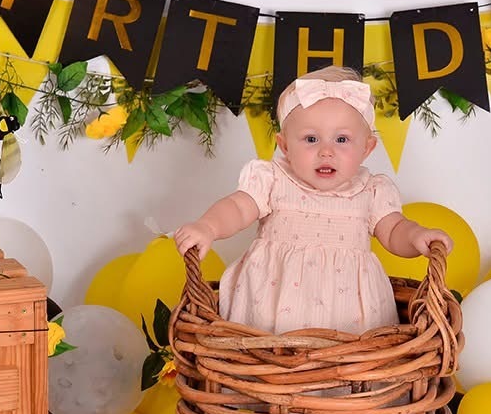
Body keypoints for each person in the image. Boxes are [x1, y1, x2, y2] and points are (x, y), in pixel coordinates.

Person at [174, 66, 452, 335]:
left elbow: (393, 230)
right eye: (310, 139)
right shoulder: (272, 179)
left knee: (352, 359)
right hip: (269, 305)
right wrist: (208, 227)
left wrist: (416, 235)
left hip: (350, 315)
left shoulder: (371, 191)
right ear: (285, 146)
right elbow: (237, 207)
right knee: (261, 355)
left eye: (341, 139)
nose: (326, 151)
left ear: (366, 148)